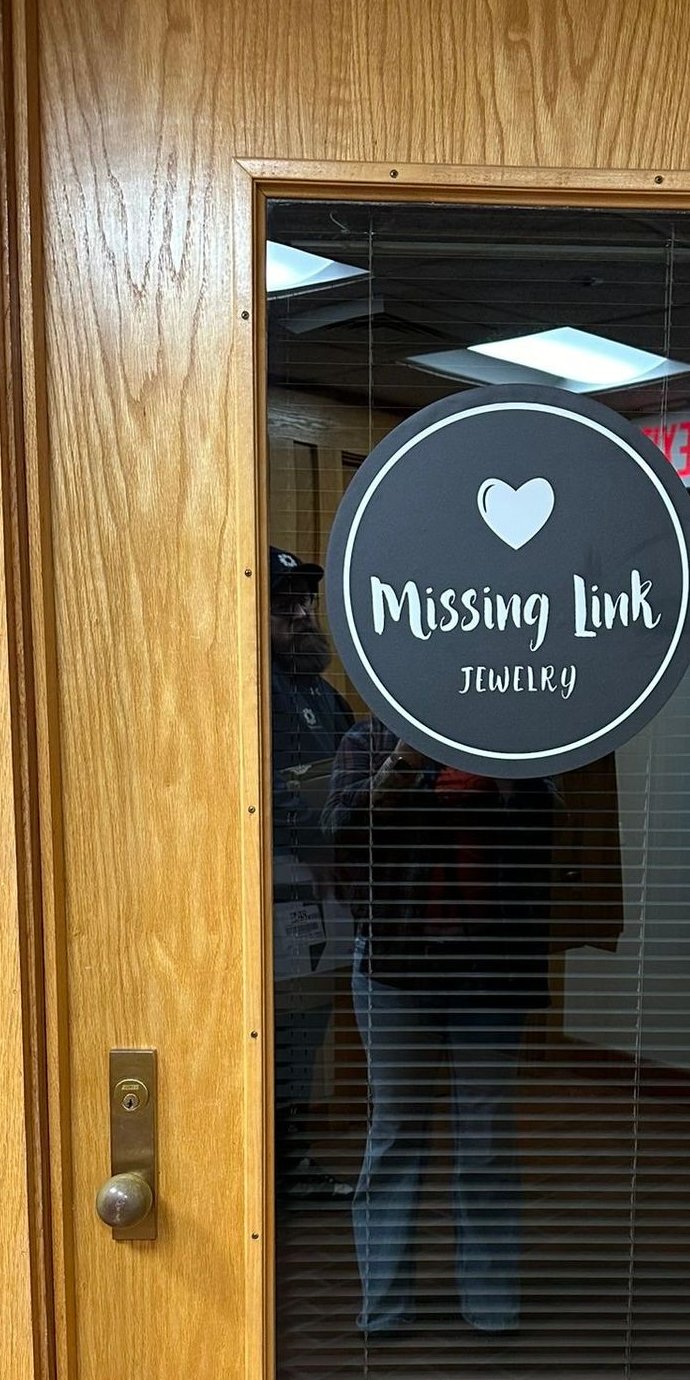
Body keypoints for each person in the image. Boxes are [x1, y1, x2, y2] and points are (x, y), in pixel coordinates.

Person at [325, 721, 557, 1332]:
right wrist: (403, 762)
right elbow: (338, 830)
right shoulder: (370, 739)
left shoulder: (512, 734)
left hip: (490, 966)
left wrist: (504, 782)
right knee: (396, 1132)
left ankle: (490, 1308)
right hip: (395, 963)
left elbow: (552, 833)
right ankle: (384, 1309)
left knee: (484, 1137)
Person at [269, 546, 354, 1203]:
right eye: (283, 602)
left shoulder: (323, 696)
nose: (301, 613)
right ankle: (264, 1176)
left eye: (305, 600)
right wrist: (321, 837)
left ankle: (292, 1168)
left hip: (323, 892)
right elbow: (264, 791)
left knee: (303, 1030)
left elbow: (349, 783)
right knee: (267, 1032)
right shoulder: (249, 685)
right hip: (274, 887)